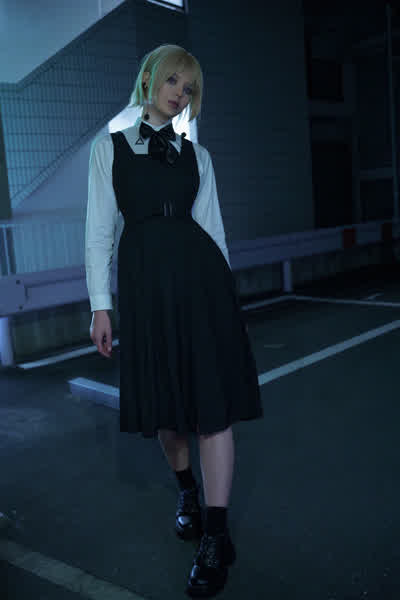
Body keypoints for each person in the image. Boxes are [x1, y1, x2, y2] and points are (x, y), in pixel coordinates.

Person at [85, 44, 263, 598]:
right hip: (146, 291)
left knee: (213, 408)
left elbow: (215, 231)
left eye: (189, 89)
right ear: (148, 80)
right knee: (168, 414)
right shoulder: (109, 150)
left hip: (202, 286)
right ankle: (188, 489)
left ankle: (216, 535)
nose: (180, 94)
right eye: (172, 81)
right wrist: (100, 305)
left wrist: (229, 301)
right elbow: (98, 233)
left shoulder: (198, 156)